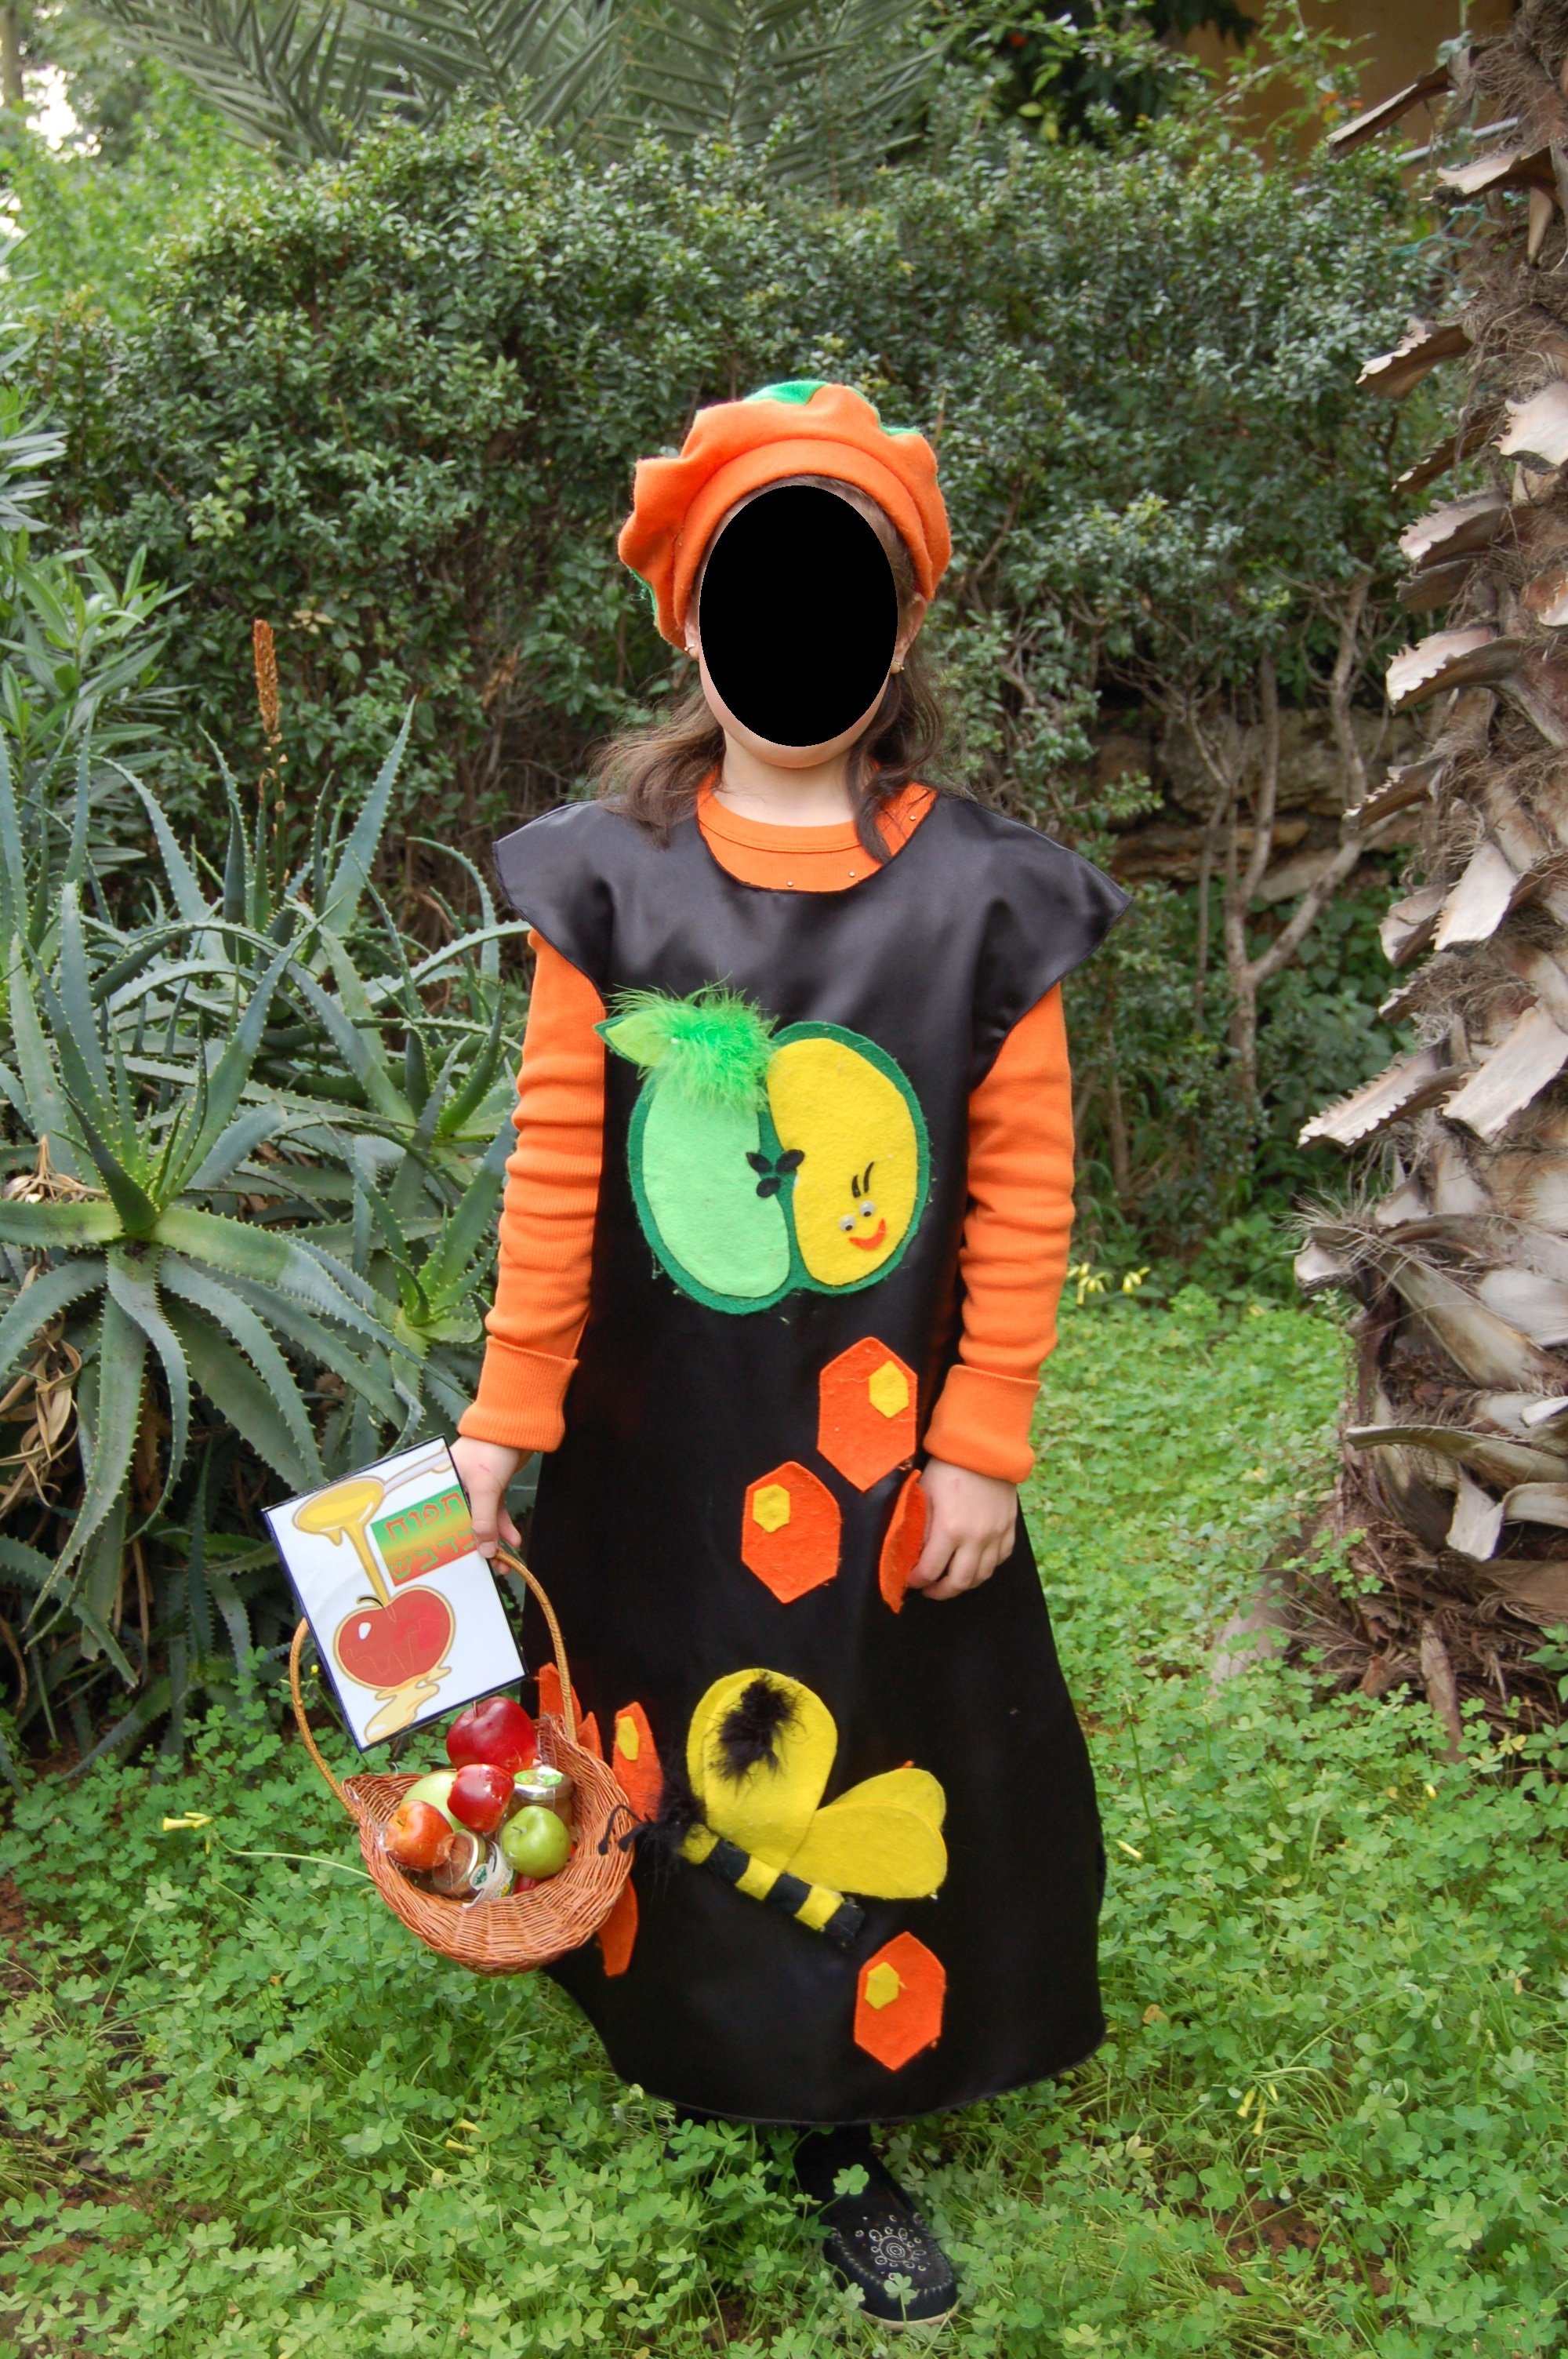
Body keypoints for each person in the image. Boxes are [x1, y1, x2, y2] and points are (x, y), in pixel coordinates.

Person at [452, 380, 1127, 2325]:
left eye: (841, 590)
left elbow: (1023, 1189)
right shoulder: (608, 880)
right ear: (692, 622)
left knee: (866, 1743)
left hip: (881, 1461)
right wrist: (504, 1421)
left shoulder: (981, 897)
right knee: (662, 1729)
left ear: (897, 635)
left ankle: (838, 2106)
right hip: (656, 1447)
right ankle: (680, 2018)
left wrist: (984, 1437)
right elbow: (557, 1166)